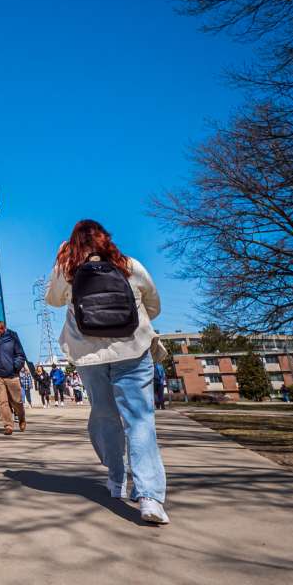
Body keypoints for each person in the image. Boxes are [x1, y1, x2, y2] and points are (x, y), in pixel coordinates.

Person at [46, 219, 169, 525]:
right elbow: (154, 306)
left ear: (73, 242)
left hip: (89, 355)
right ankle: (150, 497)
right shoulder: (129, 265)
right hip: (132, 349)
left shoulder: (69, 270)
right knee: (139, 421)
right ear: (105, 240)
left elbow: (51, 299)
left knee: (105, 416)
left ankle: (116, 480)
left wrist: (60, 259)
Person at [0, 320, 28, 434]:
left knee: (16, 401)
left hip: (12, 375)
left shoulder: (12, 338)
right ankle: (8, 426)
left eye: (1, 328)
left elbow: (20, 355)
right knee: (2, 402)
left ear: (5, 328)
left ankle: (21, 418)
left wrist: (15, 367)